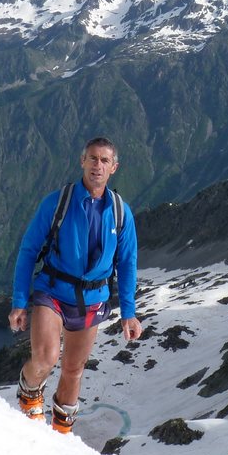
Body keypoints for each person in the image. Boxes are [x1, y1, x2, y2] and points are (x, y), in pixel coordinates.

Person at [8, 136, 142, 433]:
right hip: (53, 291)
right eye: (92, 158)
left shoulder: (121, 213)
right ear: (82, 161)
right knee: (45, 358)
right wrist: (19, 301)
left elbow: (127, 263)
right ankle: (29, 394)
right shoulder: (58, 202)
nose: (97, 165)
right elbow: (29, 250)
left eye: (104, 160)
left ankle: (61, 431)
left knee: (73, 370)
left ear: (114, 167)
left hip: (92, 299)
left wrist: (129, 313)